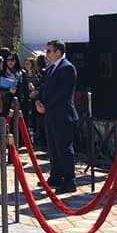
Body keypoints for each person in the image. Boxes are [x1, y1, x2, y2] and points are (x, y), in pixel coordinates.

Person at [36, 40, 79, 194]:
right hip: (50, 115)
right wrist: (38, 100)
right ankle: (56, 176)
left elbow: (63, 92)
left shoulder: (67, 68)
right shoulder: (50, 69)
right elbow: (44, 88)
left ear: (58, 52)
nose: (46, 54)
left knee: (64, 149)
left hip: (63, 115)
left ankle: (69, 181)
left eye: (49, 51)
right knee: (53, 148)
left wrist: (46, 105)